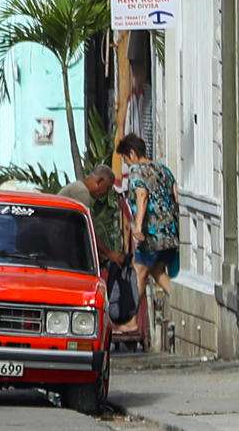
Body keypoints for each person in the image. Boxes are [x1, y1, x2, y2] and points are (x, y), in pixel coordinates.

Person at [119, 134, 180, 313]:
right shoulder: (163, 169)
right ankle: (178, 304)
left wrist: (137, 226)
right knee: (157, 272)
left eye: (125, 159)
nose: (127, 164)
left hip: (152, 234)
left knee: (139, 269)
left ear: (132, 154)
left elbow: (142, 196)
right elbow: (176, 195)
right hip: (170, 231)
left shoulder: (137, 170)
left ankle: (130, 320)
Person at [60, 164, 125, 269]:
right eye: (107, 188)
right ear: (99, 181)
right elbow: (89, 229)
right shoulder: (82, 193)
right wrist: (110, 253)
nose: (106, 193)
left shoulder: (79, 188)